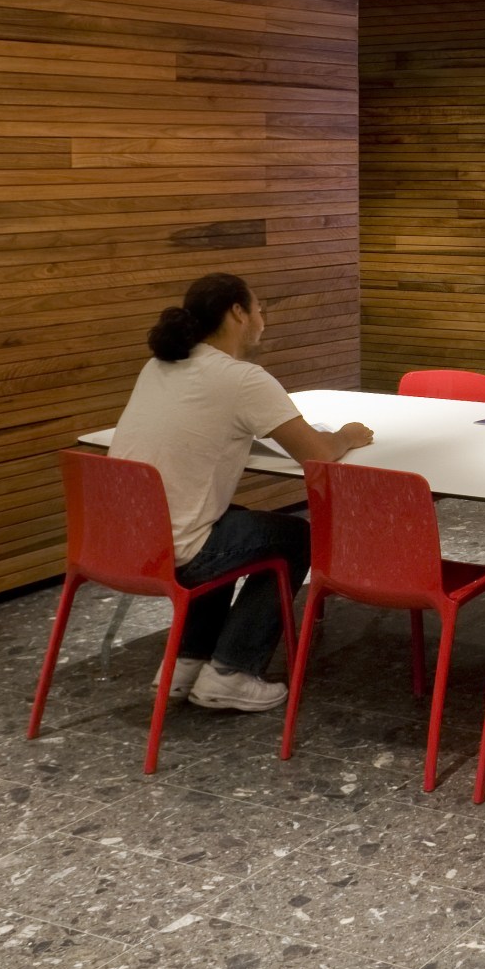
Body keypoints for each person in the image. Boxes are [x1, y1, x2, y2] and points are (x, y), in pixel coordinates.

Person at [108, 273, 371, 712]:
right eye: (260, 310)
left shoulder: (159, 366)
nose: (263, 322)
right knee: (292, 537)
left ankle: (185, 664)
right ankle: (232, 672)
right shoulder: (243, 379)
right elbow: (318, 455)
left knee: (233, 524)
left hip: (122, 543)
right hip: (177, 549)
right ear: (237, 313)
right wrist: (347, 434)